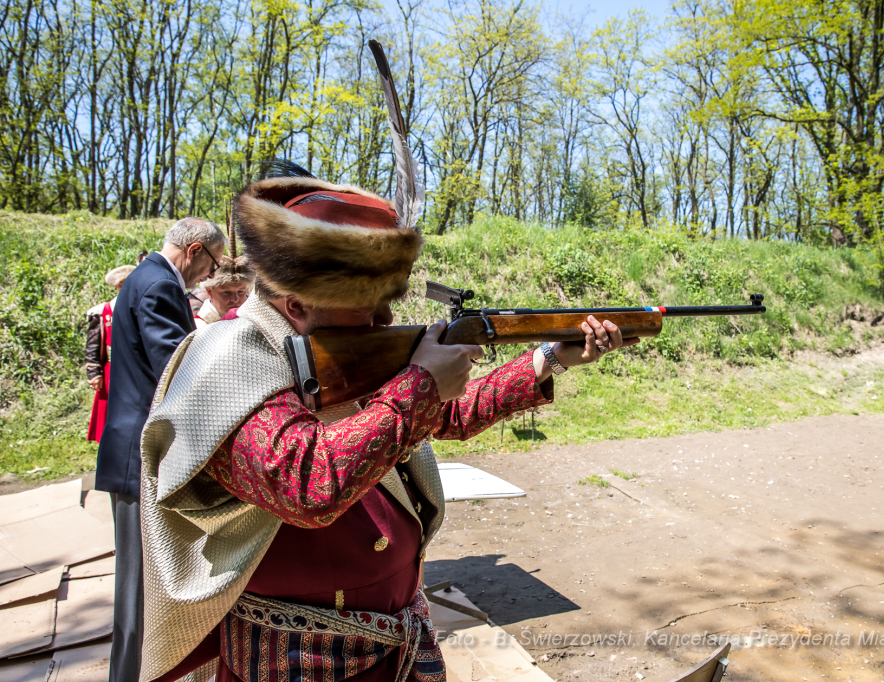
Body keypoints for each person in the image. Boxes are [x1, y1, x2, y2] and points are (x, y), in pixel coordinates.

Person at [136, 162, 636, 682]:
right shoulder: (224, 361)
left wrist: (551, 358)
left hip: (389, 644)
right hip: (295, 661)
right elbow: (308, 485)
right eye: (366, 306)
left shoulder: (340, 350)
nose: (384, 322)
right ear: (296, 304)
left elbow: (449, 413)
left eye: (385, 303)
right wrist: (418, 382)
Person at [97, 217, 226, 682]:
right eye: (211, 265)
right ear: (194, 250)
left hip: (132, 449)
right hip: (138, 455)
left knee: (141, 587)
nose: (209, 277)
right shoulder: (158, 286)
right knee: (137, 592)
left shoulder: (144, 278)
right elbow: (177, 370)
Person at [85, 265, 135, 442]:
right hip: (111, 371)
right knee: (109, 411)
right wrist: (94, 373)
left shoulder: (138, 308)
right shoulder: (102, 312)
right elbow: (93, 346)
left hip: (134, 369)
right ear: (120, 285)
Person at [194, 229, 254, 327]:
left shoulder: (253, 321)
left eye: (241, 292)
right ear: (209, 292)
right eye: (227, 292)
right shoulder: (198, 327)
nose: (235, 299)